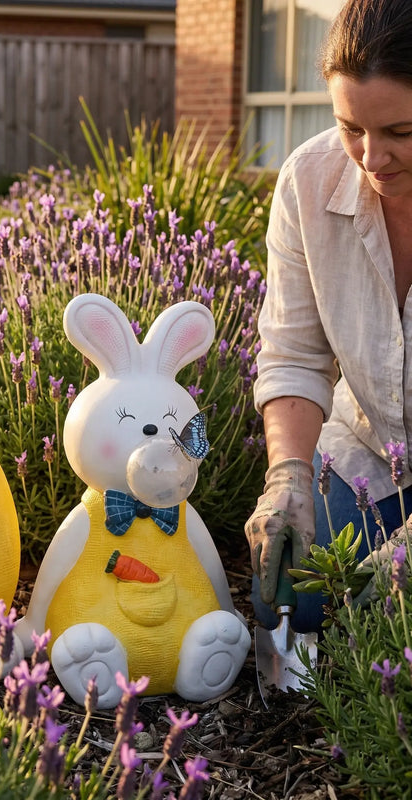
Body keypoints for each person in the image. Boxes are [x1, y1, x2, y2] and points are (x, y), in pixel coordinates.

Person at [245, 0, 412, 633]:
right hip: (370, 450)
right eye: (351, 128)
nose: (371, 158)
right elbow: (293, 354)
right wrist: (287, 478)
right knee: (291, 592)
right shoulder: (308, 181)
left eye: (402, 132)